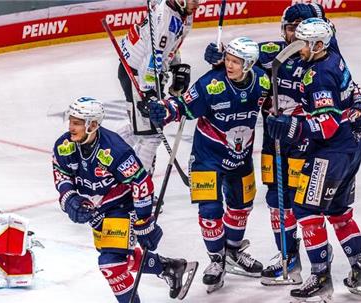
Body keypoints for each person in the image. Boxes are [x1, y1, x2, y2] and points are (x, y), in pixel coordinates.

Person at [204, 2, 361, 287]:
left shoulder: (323, 55)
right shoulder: (271, 53)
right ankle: (289, 258)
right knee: (277, 202)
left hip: (311, 142)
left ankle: (319, 264)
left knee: (306, 204)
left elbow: (348, 89)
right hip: (277, 141)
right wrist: (220, 58)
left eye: (300, 29)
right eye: (290, 27)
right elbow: (238, 63)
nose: (294, 34)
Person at [148, 37, 270, 293]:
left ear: (248, 64)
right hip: (207, 158)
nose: (229, 65)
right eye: (228, 59)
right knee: (210, 212)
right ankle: (216, 260)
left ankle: (233, 252)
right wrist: (164, 111)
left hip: (241, 157)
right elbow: (182, 107)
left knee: (240, 208)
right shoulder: (211, 85)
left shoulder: (263, 81)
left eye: (236, 61)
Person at [266, 18, 361, 301]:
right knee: (339, 213)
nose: (298, 47)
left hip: (330, 153)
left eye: (303, 43)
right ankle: (359, 272)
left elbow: (327, 125)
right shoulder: (333, 58)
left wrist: (291, 127)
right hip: (351, 149)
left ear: (317, 45)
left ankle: (320, 276)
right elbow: (354, 97)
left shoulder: (319, 75)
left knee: (304, 209)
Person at [52, 96, 197, 302]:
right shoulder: (64, 145)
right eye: (71, 121)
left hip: (122, 206)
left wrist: (144, 222)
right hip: (98, 211)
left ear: (92, 124)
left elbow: (141, 183)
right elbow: (61, 174)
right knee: (120, 258)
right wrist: (71, 199)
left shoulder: (114, 150)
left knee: (111, 263)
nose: (71, 127)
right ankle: (169, 267)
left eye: (77, 123)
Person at [116, 0, 201, 175]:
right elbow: (151, 56)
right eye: (193, 0)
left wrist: (176, 65)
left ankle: (106, 152)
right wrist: (148, 93)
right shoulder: (166, 20)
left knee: (140, 127)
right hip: (138, 73)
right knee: (151, 134)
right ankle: (139, 190)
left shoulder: (182, 13)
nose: (197, 4)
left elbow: (169, 45)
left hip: (147, 72)